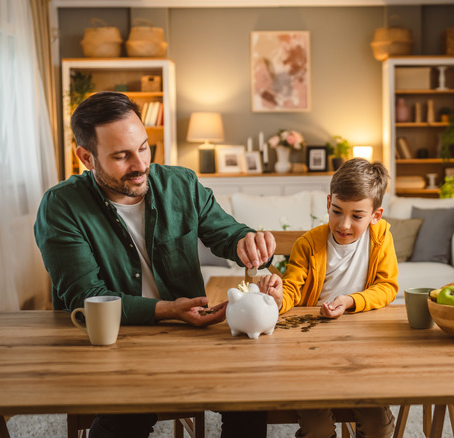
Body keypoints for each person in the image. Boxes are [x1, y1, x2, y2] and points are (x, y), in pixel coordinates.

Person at [34, 91, 272, 438]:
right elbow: (86, 297)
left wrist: (245, 241)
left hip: (190, 336)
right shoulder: (61, 207)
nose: (140, 164)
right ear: (86, 156)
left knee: (251, 399)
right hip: (114, 342)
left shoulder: (182, 184)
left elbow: (226, 233)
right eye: (121, 156)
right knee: (128, 415)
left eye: (144, 147)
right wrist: (167, 310)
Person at [259, 158, 398, 438]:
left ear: (376, 215)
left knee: (378, 425)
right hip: (311, 352)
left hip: (362, 349)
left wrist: (350, 301)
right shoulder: (308, 244)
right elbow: (292, 290)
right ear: (328, 203)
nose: (344, 224)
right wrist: (276, 297)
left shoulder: (381, 239)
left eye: (357, 216)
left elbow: (388, 287)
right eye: (337, 211)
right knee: (317, 428)